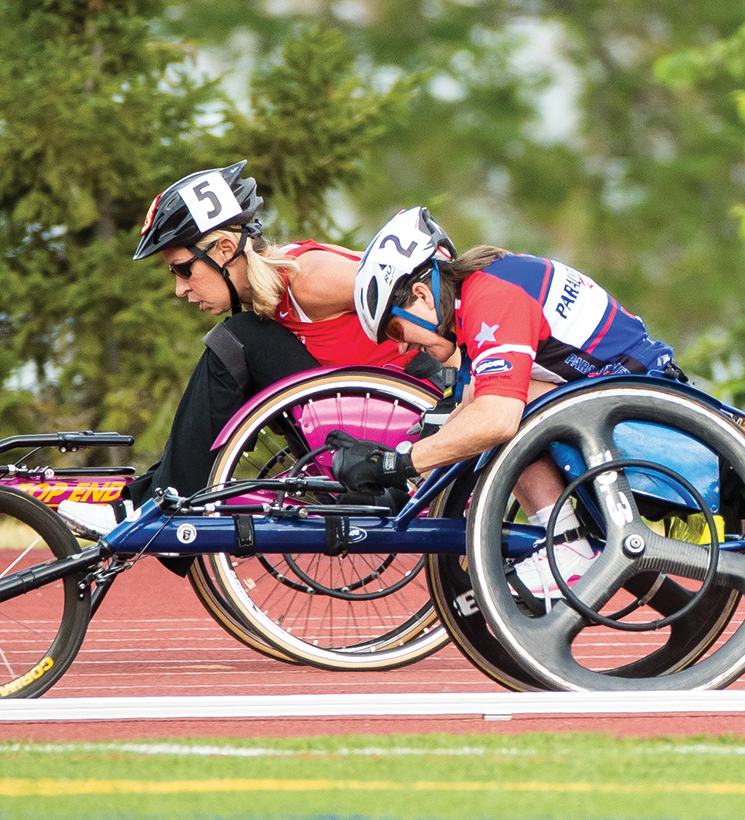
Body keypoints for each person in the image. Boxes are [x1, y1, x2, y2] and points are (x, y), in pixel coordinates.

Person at [57, 163, 432, 547]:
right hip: (353, 425)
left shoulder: (308, 279)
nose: (180, 289)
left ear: (224, 249)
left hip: (401, 429)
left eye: (184, 270)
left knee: (239, 339)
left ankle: (156, 506)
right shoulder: (271, 301)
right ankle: (152, 497)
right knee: (244, 340)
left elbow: (429, 290)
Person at [331, 207, 683, 599]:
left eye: (395, 328)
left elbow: (494, 419)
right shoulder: (480, 297)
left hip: (643, 408)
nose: (400, 346)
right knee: (484, 407)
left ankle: (567, 545)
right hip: (618, 398)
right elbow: (462, 420)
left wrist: (398, 464)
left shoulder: (492, 296)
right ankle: (564, 538)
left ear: (421, 295)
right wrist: (398, 472)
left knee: (499, 409)